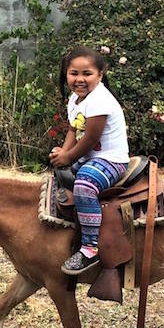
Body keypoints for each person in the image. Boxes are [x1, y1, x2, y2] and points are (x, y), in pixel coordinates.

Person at [48, 46, 129, 275]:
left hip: (110, 160)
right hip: (89, 157)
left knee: (84, 185)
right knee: (59, 174)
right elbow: (74, 129)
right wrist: (63, 154)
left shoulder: (100, 100)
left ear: (100, 74)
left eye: (87, 74)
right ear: (66, 74)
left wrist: (69, 156)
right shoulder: (75, 99)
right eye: (74, 73)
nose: (80, 79)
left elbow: (91, 139)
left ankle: (90, 248)